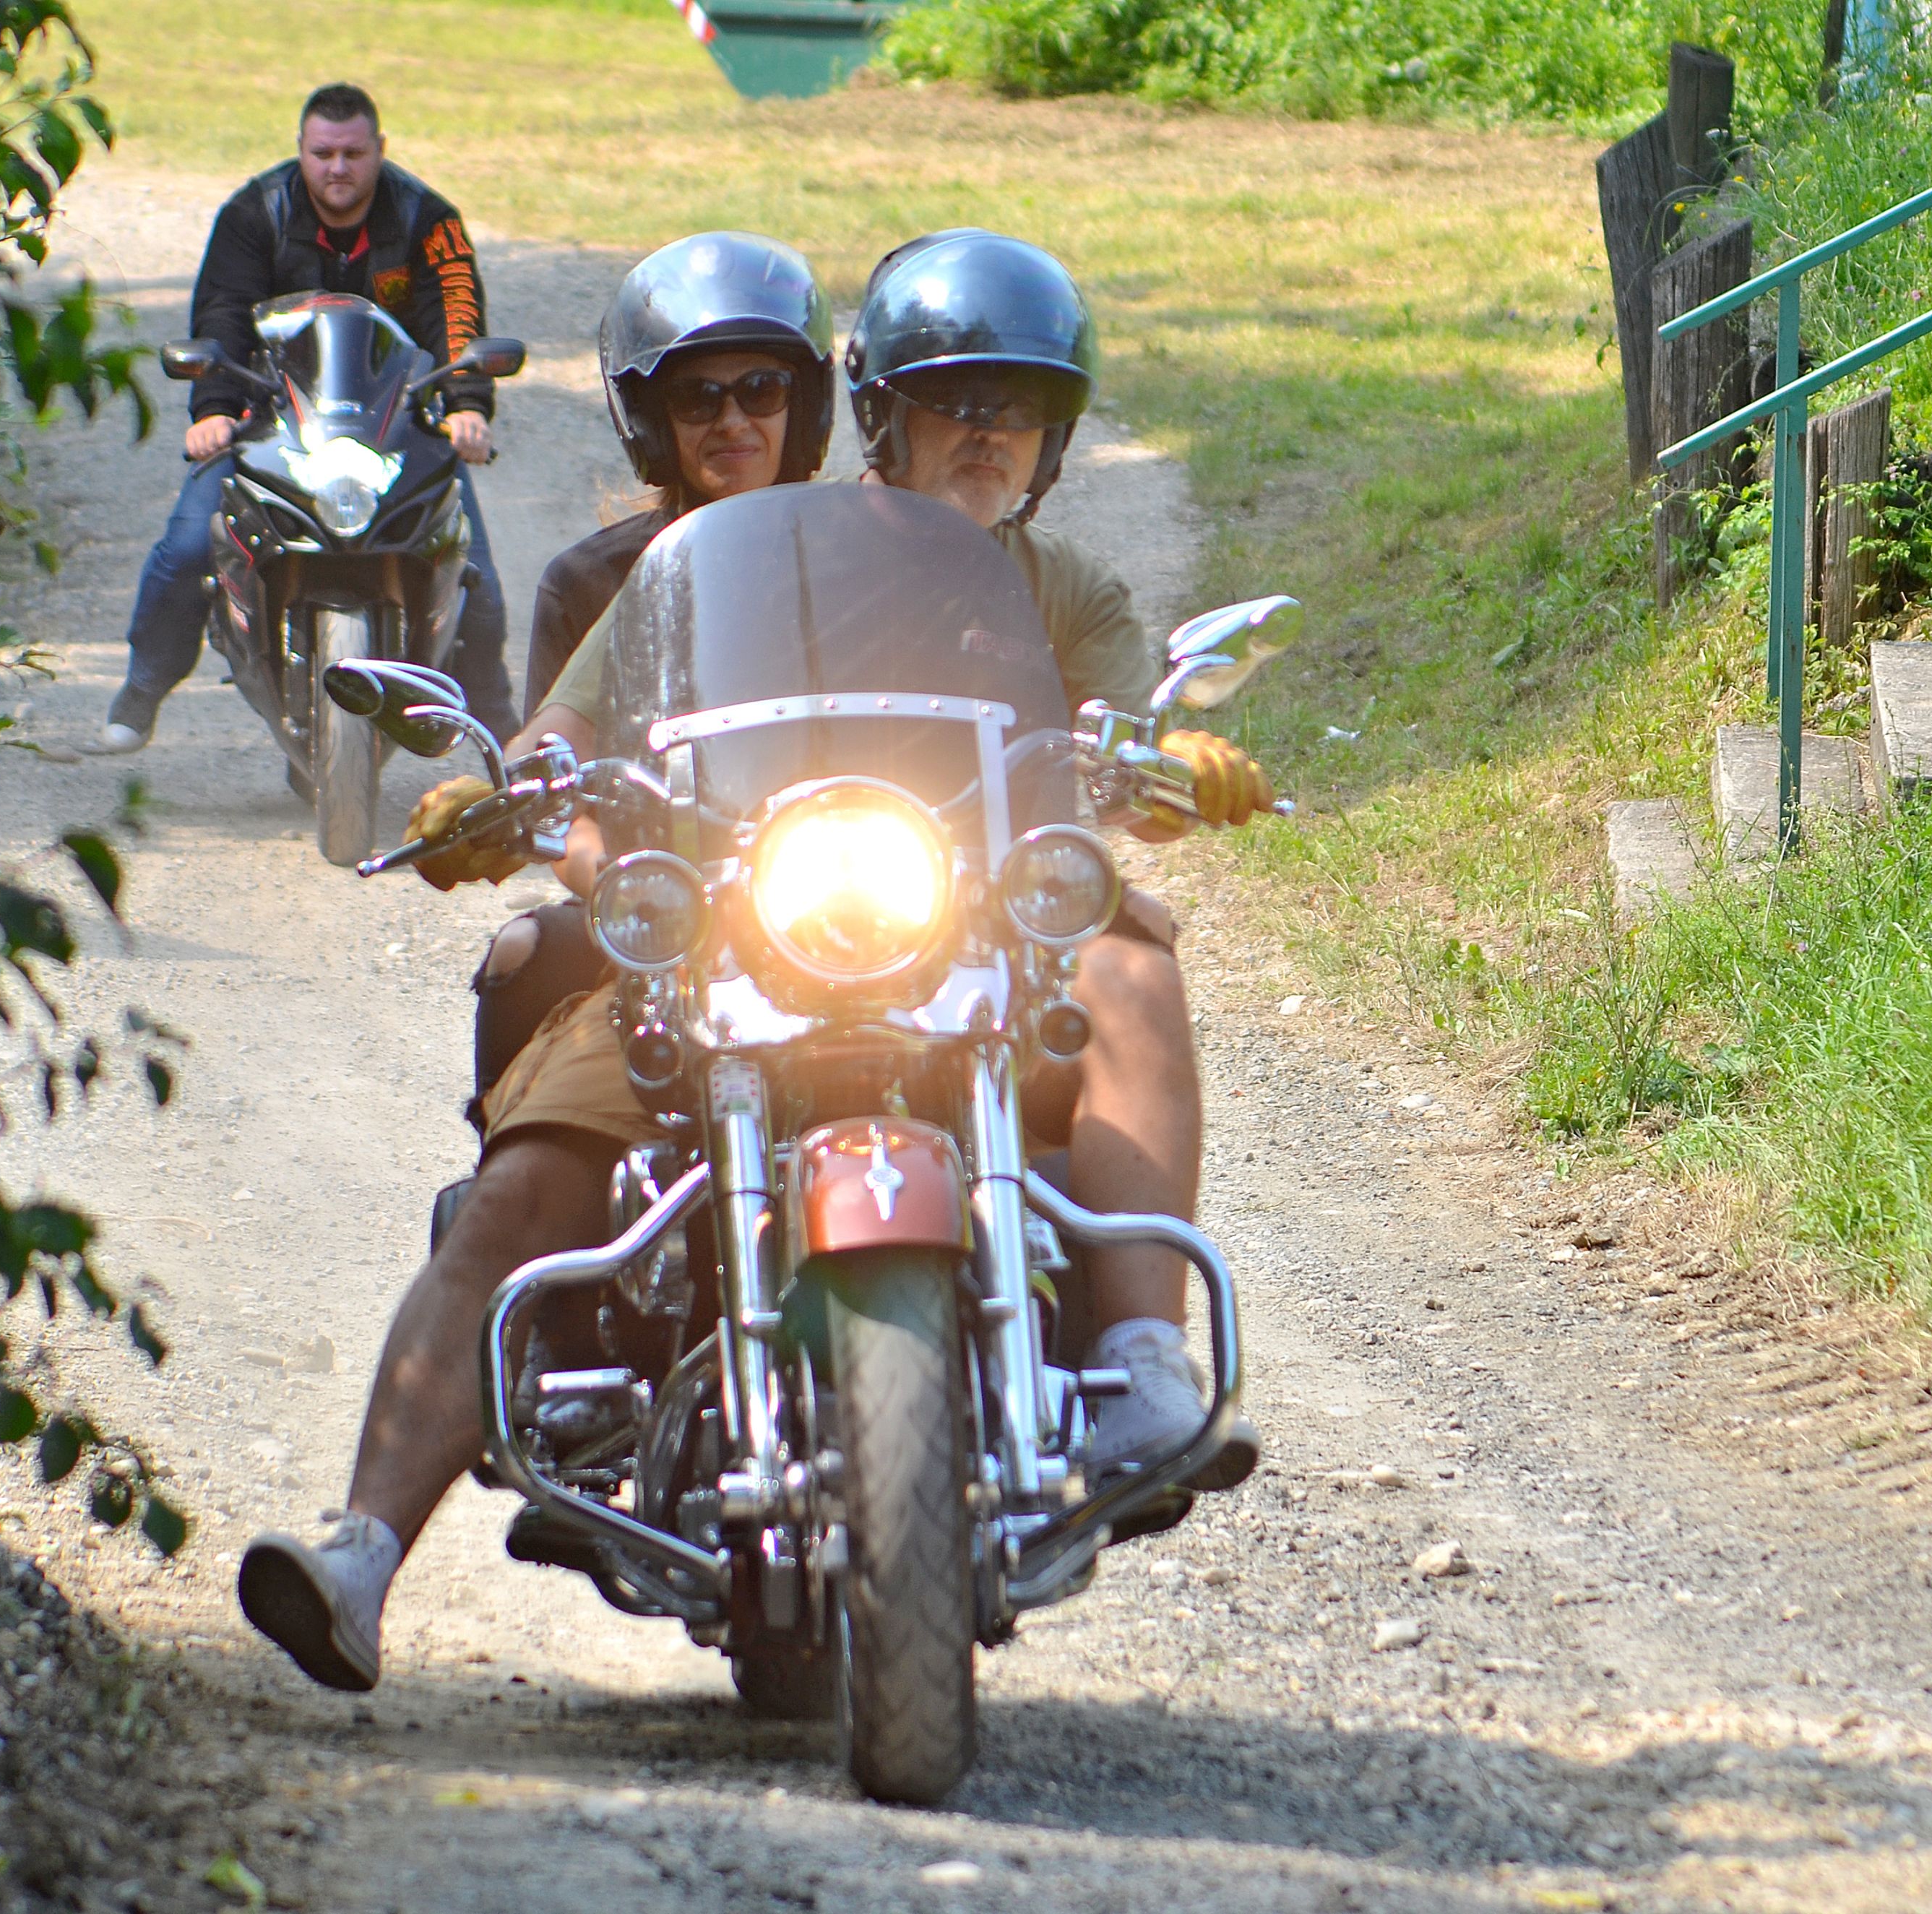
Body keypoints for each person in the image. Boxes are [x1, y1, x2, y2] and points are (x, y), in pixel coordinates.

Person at [233, 233, 1273, 1696]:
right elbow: (567, 737)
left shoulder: (1064, 583)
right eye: (950, 405)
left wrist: (1171, 763)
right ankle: (360, 1546)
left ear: (1053, 434)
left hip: (963, 957)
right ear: (880, 413)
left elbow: (1116, 728)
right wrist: (511, 788)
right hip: (721, 962)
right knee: (536, 1176)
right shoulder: (738, 558)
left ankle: (1142, 1361)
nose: (981, 437)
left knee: (1131, 957)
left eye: (1014, 410)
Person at [471, 232, 836, 1130]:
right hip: (664, 918)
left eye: (762, 390)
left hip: (847, 897)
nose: (733, 421)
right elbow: (554, 783)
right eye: (695, 397)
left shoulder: (855, 552)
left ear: (807, 405)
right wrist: (624, 887)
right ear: (649, 422)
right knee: (522, 955)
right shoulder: (594, 581)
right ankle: (526, 1244)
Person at [85, 82, 519, 756]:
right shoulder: (254, 214)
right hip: (271, 421)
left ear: (380, 150)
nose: (337, 168)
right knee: (188, 551)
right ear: (301, 151)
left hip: (398, 424)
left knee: (472, 574)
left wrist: (467, 406)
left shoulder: (429, 219)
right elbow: (222, 313)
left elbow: (456, 314)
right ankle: (141, 690)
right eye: (323, 153)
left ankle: (500, 726)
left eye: (352, 153)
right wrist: (215, 410)